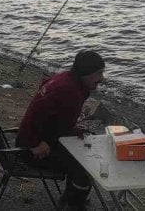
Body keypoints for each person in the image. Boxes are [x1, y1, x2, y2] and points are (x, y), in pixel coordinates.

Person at [16, 49, 106, 210]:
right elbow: (36, 112)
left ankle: (69, 198)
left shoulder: (67, 78)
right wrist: (34, 143)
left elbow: (44, 85)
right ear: (86, 73)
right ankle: (74, 205)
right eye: (99, 73)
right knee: (85, 169)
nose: (102, 78)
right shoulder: (68, 90)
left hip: (45, 138)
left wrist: (74, 129)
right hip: (31, 149)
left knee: (83, 148)